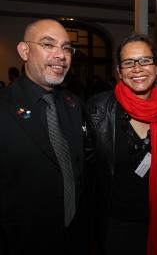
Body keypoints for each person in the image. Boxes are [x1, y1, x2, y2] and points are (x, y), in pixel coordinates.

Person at [0, 19, 89, 255]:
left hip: (74, 240)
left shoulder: (75, 105)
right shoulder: (4, 108)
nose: (61, 55)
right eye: (48, 45)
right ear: (24, 51)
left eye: (67, 48)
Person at [86, 33, 157, 255]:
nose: (137, 68)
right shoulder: (98, 109)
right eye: (128, 62)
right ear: (119, 72)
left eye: (145, 60)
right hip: (114, 225)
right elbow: (85, 173)